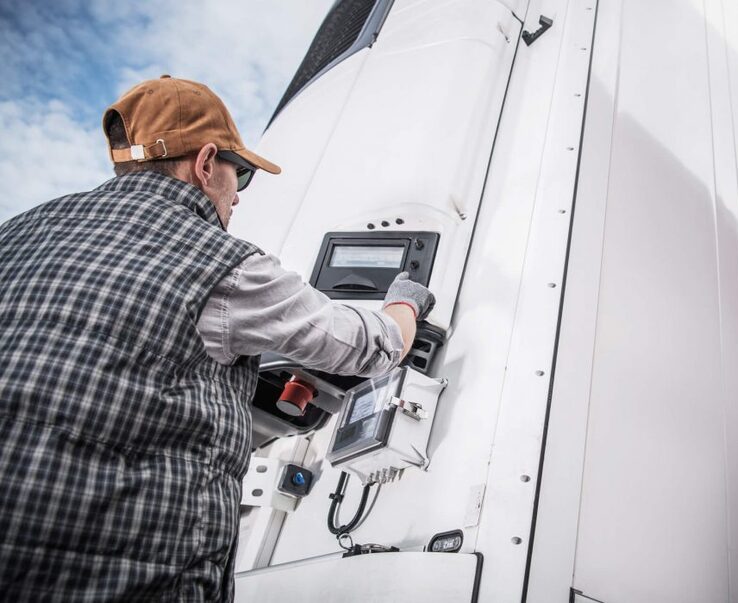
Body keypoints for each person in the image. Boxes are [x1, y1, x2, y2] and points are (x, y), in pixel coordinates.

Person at [0, 75, 434, 601]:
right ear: (206, 165)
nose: (237, 197)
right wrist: (405, 301)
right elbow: (373, 345)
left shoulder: (21, 230)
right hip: (125, 578)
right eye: (241, 175)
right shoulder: (220, 262)